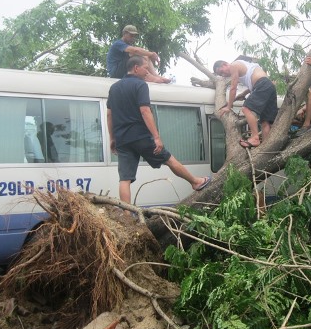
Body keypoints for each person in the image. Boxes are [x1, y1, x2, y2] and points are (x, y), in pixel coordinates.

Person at [107, 55, 211, 203]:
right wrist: (156, 137)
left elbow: (109, 115)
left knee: (125, 179)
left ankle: (126, 215)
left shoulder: (114, 88)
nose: (147, 72)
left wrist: (112, 138)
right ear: (136, 68)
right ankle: (195, 182)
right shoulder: (140, 85)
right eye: (145, 68)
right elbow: (145, 111)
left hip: (122, 139)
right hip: (140, 137)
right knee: (168, 159)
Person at [213, 59, 278, 148]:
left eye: (221, 72)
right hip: (268, 86)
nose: (223, 75)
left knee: (246, 108)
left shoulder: (233, 65)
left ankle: (255, 138)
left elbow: (233, 88)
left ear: (225, 64)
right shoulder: (245, 66)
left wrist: (228, 106)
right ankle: (266, 147)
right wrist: (243, 94)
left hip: (262, 84)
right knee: (265, 122)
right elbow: (255, 82)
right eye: (221, 75)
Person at [106, 25, 171, 84]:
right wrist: (151, 54)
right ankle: (150, 77)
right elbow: (136, 50)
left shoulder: (127, 45)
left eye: (134, 36)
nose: (133, 38)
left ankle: (155, 75)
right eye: (131, 35)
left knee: (142, 53)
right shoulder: (118, 44)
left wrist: (148, 55)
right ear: (124, 33)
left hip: (123, 71)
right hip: (115, 72)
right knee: (138, 53)